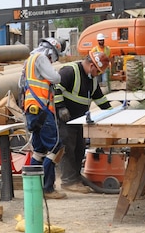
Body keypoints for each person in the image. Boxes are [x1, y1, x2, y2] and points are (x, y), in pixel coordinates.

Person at [56, 49, 113, 194]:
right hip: (64, 119)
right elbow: (55, 89)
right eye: (98, 71)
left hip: (79, 120)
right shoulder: (70, 71)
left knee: (79, 149)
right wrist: (61, 107)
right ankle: (68, 181)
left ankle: (76, 179)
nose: (98, 75)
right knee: (67, 148)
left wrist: (112, 113)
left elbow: (100, 99)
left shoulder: (92, 80)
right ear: (92, 65)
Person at [21, 36, 66, 199]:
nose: (52, 61)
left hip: (32, 110)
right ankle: (48, 189)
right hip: (42, 110)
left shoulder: (29, 62)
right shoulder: (40, 58)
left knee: (39, 151)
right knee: (56, 147)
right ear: (51, 52)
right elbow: (56, 78)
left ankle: (34, 188)